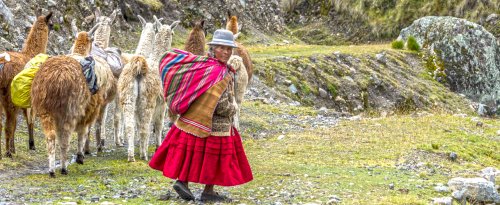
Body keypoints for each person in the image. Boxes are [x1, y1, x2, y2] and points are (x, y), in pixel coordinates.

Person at [149, 29, 253, 202]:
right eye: (221, 48)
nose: (226, 52)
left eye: (228, 49)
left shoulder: (204, 65)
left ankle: (183, 181)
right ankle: (208, 191)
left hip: (193, 118)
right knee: (214, 157)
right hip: (215, 123)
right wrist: (232, 109)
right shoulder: (218, 71)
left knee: (192, 152)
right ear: (213, 49)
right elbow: (220, 104)